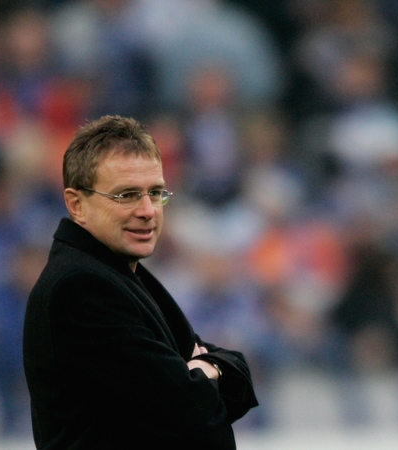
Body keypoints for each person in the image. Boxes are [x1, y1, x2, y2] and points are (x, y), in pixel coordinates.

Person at [23, 115, 257, 449]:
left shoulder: (118, 271)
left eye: (156, 192)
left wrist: (202, 372)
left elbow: (237, 381)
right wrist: (207, 371)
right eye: (127, 195)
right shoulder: (81, 288)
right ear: (77, 204)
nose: (148, 210)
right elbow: (190, 416)